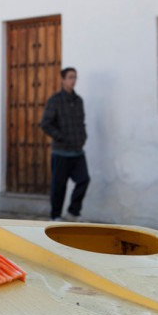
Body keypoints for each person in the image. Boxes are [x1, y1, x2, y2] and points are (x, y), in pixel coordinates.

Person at [39, 67, 89, 221]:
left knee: (84, 179)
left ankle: (73, 213)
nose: (73, 80)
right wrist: (61, 137)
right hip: (61, 152)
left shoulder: (79, 100)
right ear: (63, 79)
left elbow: (81, 122)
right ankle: (55, 217)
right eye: (70, 77)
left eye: (75, 77)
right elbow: (45, 124)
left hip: (78, 151)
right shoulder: (55, 101)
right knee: (59, 187)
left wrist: (82, 136)